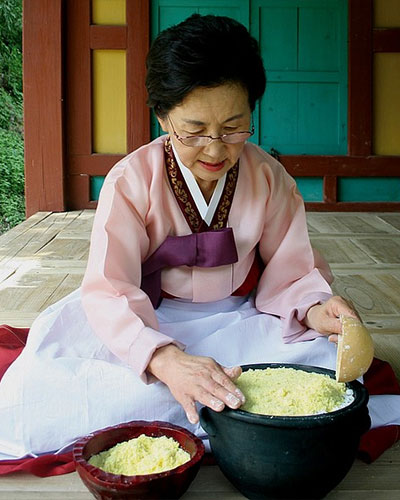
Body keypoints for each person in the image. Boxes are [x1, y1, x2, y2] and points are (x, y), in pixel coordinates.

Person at [0, 14, 398, 461]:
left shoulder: (268, 177)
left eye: (233, 128)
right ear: (162, 116)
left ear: (253, 110)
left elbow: (293, 271)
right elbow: (111, 289)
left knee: (328, 370)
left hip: (239, 318)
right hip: (148, 316)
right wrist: (163, 360)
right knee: (33, 398)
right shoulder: (130, 181)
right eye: (194, 130)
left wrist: (317, 309)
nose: (214, 148)